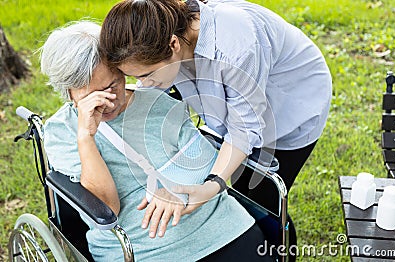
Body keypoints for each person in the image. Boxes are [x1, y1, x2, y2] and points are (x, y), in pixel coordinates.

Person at [40, 21, 274, 261]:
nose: (109, 101)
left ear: (122, 70)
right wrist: (86, 138)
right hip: (145, 250)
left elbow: (203, 155)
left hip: (222, 227)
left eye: (113, 85)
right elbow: (106, 209)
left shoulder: (157, 102)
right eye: (93, 95)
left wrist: (175, 190)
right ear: (68, 91)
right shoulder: (61, 131)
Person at [100, 0, 332, 211]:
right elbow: (153, 86)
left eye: (147, 75)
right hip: (247, 92)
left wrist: (211, 186)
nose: (144, 84)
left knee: (262, 198)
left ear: (173, 44)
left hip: (294, 98)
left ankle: (276, 251)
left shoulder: (235, 47)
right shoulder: (166, 34)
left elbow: (244, 128)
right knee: (241, 184)